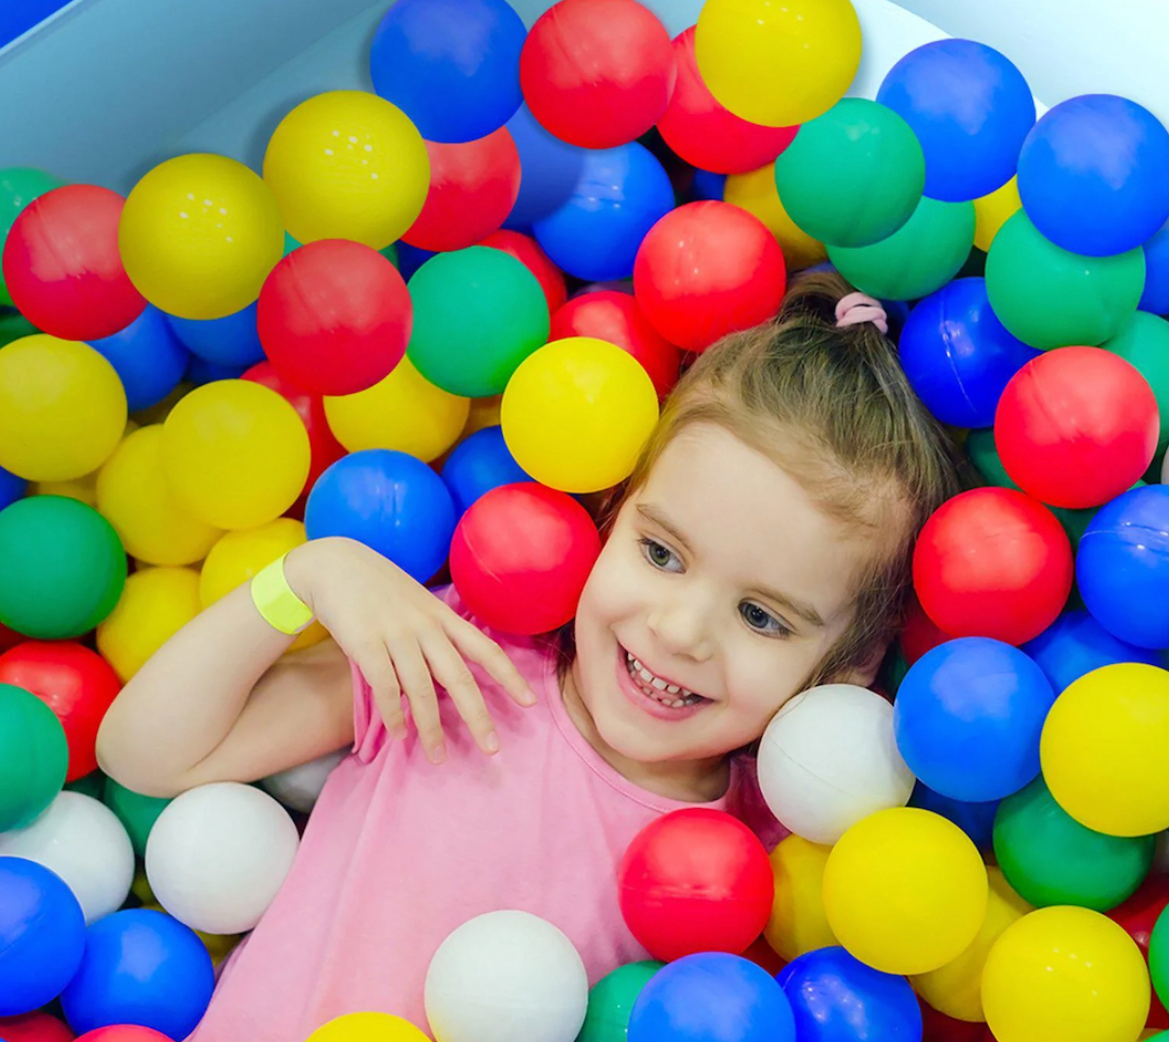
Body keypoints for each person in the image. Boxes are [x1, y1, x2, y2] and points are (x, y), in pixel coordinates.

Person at [97, 270, 962, 1040]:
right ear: (612, 512)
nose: (679, 630)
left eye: (762, 618)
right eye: (661, 554)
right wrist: (312, 575)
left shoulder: (770, 855)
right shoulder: (462, 656)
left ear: (846, 673)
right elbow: (145, 754)